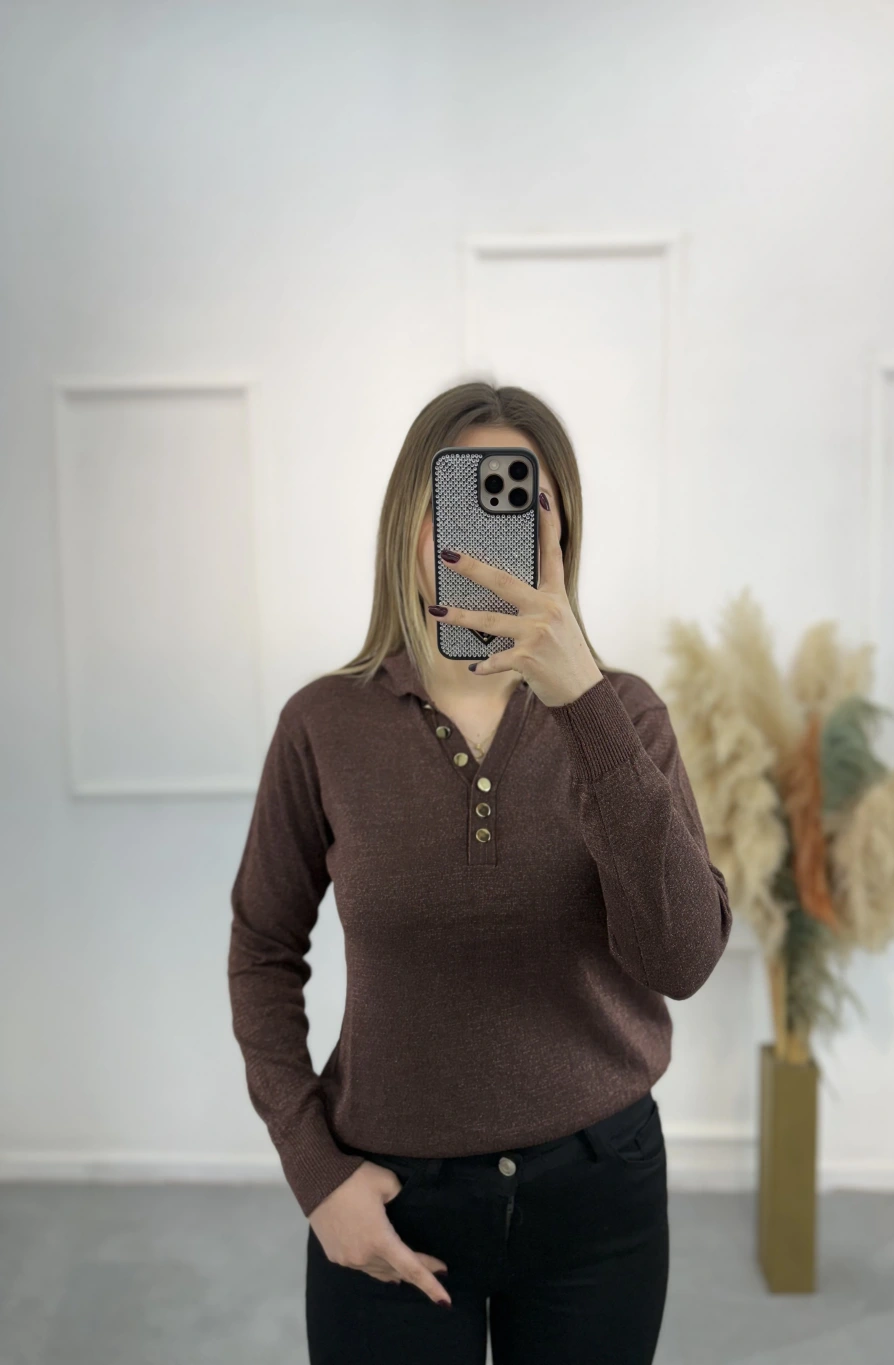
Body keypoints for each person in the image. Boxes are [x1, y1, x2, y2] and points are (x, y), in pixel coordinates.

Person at [227, 381, 733, 1364]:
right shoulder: (323, 724)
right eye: (463, 501)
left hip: (600, 1194)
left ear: (563, 536)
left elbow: (682, 958)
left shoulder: (623, 715)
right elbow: (261, 949)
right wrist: (314, 1172)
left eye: (524, 504)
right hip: (388, 1198)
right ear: (410, 529)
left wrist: (582, 701)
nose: (491, 534)